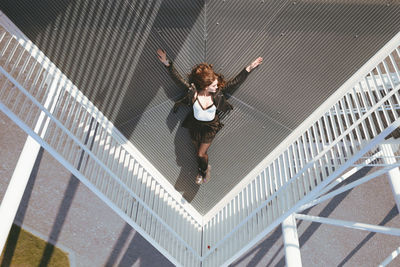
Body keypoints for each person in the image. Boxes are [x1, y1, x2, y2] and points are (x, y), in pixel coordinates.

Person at [157, 49, 262, 185]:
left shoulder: (218, 94)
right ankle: (203, 167)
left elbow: (234, 82)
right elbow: (178, 80)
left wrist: (249, 67)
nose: (217, 86)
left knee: (201, 154)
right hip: (194, 125)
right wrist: (167, 62)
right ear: (205, 86)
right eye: (213, 85)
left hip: (210, 128)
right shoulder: (193, 93)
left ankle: (203, 172)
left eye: (216, 84)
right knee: (198, 153)